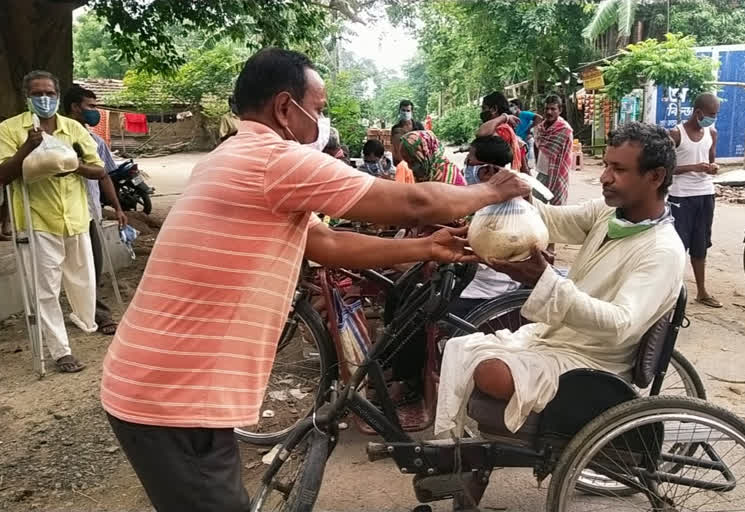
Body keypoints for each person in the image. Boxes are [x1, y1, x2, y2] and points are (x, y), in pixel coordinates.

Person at [100, 47, 530, 512]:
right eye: (319, 110)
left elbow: (325, 244)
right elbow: (414, 204)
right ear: (286, 108)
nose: (321, 122)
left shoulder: (232, 158)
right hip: (173, 396)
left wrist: (425, 247)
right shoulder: (274, 160)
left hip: (162, 385)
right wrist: (491, 190)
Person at [436, 122, 685, 439]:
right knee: (459, 347)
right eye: (606, 165)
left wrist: (546, 281)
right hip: (556, 339)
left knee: (488, 371)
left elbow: (620, 324)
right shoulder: (608, 214)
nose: (605, 177)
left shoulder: (663, 251)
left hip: (594, 363)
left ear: (655, 177)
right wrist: (512, 197)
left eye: (618, 169)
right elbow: (549, 220)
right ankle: (456, 449)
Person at [0, 70, 106, 373]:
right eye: (37, 94)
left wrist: (73, 167)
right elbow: (3, 175)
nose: (44, 99)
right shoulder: (10, 129)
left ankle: (84, 319)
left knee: (84, 283)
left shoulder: (72, 128)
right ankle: (60, 351)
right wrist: (28, 149)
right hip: (36, 220)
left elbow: (98, 170)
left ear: (58, 96)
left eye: (49, 93)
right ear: (27, 97)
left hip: (74, 217)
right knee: (44, 289)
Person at [62, 84, 128, 336]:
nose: (95, 112)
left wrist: (118, 207)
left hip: (89, 213)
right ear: (75, 107)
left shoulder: (95, 141)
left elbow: (104, 176)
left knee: (93, 265)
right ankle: (87, 312)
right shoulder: (55, 139)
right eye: (90, 106)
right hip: (58, 212)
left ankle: (96, 313)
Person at [451, 135, 521, 318]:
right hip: (481, 279)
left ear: (488, 170)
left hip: (489, 290)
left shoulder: (502, 207)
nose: (466, 167)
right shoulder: (498, 197)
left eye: (470, 162)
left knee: (423, 315)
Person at [668, 92, 721, 308]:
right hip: (680, 196)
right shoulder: (676, 134)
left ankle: (702, 291)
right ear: (698, 112)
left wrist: (713, 168)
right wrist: (692, 167)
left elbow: (711, 161)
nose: (713, 118)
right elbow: (666, 167)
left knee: (701, 244)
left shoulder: (712, 133)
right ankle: (671, 292)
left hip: (705, 194)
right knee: (678, 246)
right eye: (711, 114)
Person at [534, 94, 573, 206]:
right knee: (536, 206)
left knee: (558, 209)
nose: (549, 112)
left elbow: (552, 150)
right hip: (542, 172)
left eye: (553, 109)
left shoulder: (565, 129)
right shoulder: (541, 127)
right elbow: (538, 147)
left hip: (558, 174)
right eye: (547, 109)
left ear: (559, 110)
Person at [399, 130, 466, 185]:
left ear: (426, 154)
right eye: (407, 162)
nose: (409, 167)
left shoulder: (448, 177)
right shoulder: (425, 175)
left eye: (413, 162)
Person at [478, 92, 522, 171]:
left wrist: (504, 117)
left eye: (484, 108)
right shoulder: (499, 127)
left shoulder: (502, 129)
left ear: (494, 109)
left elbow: (481, 133)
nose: (482, 112)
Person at [510, 98, 542, 166]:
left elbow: (539, 118)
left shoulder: (524, 114)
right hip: (519, 143)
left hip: (527, 142)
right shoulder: (512, 117)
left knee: (529, 164)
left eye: (511, 105)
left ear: (517, 106)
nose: (510, 107)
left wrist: (530, 128)